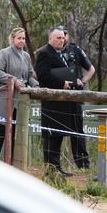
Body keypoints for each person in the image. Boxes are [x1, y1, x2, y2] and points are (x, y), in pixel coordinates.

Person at [0, 28, 39, 159]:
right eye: (19, 38)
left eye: (23, 38)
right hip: (4, 98)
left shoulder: (25, 56)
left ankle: (12, 163)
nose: (21, 41)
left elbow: (29, 75)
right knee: (0, 129)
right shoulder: (4, 53)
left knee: (15, 132)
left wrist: (35, 85)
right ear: (12, 39)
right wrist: (13, 81)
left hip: (19, 100)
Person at [35, 27, 82, 177]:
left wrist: (74, 81)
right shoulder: (44, 54)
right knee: (51, 135)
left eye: (63, 38)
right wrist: (62, 84)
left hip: (62, 103)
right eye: (58, 38)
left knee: (59, 135)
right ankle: (50, 168)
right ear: (50, 39)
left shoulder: (61, 54)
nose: (61, 41)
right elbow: (42, 75)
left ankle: (57, 167)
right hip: (51, 102)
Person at [61, 27, 95, 168]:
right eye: (59, 35)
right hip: (59, 95)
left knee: (77, 130)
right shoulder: (52, 52)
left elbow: (91, 69)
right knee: (58, 130)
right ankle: (55, 164)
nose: (62, 38)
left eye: (64, 35)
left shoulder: (75, 50)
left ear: (67, 36)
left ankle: (82, 163)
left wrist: (84, 80)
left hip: (75, 94)